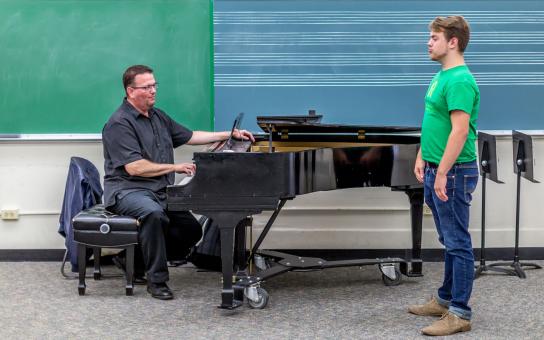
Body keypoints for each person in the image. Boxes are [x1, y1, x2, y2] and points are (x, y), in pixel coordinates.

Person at [102, 65, 254, 300]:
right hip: (128, 190)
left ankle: (132, 258)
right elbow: (135, 167)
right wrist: (174, 167)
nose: (153, 90)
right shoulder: (119, 124)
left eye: (154, 85)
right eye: (147, 87)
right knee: (154, 215)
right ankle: (157, 281)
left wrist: (229, 134)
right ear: (131, 91)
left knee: (191, 231)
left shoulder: (158, 116)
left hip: (159, 190)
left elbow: (191, 136)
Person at [408, 16, 480, 336]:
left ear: (453, 42)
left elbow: (460, 131)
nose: (428, 42)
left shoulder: (460, 80)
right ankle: (445, 299)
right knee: (448, 241)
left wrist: (444, 172)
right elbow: (434, 120)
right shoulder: (442, 75)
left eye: (434, 37)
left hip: (453, 172)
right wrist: (424, 155)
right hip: (438, 167)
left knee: (458, 243)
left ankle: (459, 313)